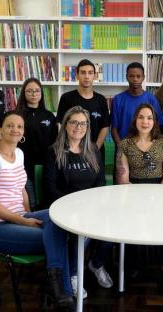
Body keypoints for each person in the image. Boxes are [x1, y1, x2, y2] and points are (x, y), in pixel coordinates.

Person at [0, 111, 74, 309]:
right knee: (58, 238)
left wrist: (28, 214)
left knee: (58, 217)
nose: (15, 129)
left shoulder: (19, 154)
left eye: (19, 126)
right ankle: (62, 292)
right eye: (10, 125)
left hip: (17, 217)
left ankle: (54, 285)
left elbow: (21, 189)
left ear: (23, 134)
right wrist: (24, 222)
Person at [44, 106, 113, 297]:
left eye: (82, 123)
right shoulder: (54, 152)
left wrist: (95, 205)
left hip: (92, 207)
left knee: (113, 225)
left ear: (87, 126)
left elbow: (100, 182)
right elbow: (50, 187)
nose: (78, 127)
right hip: (66, 209)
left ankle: (96, 264)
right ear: (65, 125)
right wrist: (73, 208)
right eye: (73, 122)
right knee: (83, 232)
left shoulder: (93, 150)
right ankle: (73, 274)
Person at [116, 103, 163, 277]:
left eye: (150, 118)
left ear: (155, 121)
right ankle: (133, 265)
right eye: (141, 117)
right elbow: (123, 179)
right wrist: (138, 202)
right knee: (133, 218)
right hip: (132, 191)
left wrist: (157, 201)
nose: (145, 121)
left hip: (161, 190)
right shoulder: (125, 144)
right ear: (135, 120)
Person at [56, 59, 110, 164]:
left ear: (95, 76)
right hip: (71, 151)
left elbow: (105, 126)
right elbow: (61, 124)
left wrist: (95, 148)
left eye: (90, 73)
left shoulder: (101, 100)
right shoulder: (66, 98)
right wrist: (69, 147)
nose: (86, 76)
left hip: (95, 152)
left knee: (97, 180)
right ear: (76, 75)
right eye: (83, 72)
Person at [16, 78, 57, 210]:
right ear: (23, 93)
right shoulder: (17, 115)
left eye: (37, 91)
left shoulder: (49, 116)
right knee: (30, 202)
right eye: (29, 91)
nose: (34, 94)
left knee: (45, 199)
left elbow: (55, 141)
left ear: (41, 93)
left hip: (45, 164)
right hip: (24, 165)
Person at [111, 62, 163, 146]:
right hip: (123, 147)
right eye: (131, 76)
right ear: (126, 77)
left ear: (143, 77)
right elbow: (114, 128)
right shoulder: (117, 100)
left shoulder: (152, 99)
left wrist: (151, 146)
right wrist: (121, 147)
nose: (135, 79)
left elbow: (158, 126)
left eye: (138, 76)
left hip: (146, 149)